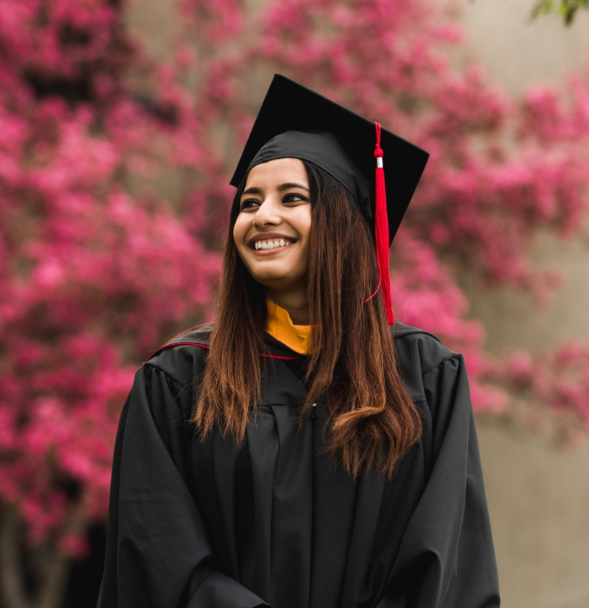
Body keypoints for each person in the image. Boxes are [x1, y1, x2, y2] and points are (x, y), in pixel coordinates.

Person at [96, 75, 500, 608]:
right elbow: (156, 561)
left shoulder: (424, 376)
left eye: (292, 198)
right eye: (248, 203)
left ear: (343, 225)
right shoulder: (177, 383)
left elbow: (447, 565)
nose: (262, 216)